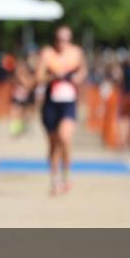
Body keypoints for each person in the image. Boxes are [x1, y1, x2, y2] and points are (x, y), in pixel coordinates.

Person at [36, 26, 87, 195]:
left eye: (65, 40)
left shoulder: (76, 53)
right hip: (51, 103)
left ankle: (66, 175)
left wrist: (77, 78)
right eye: (59, 39)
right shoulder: (47, 54)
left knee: (64, 137)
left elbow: (83, 70)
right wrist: (52, 76)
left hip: (68, 103)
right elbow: (38, 77)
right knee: (53, 145)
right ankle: (54, 180)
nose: (62, 43)